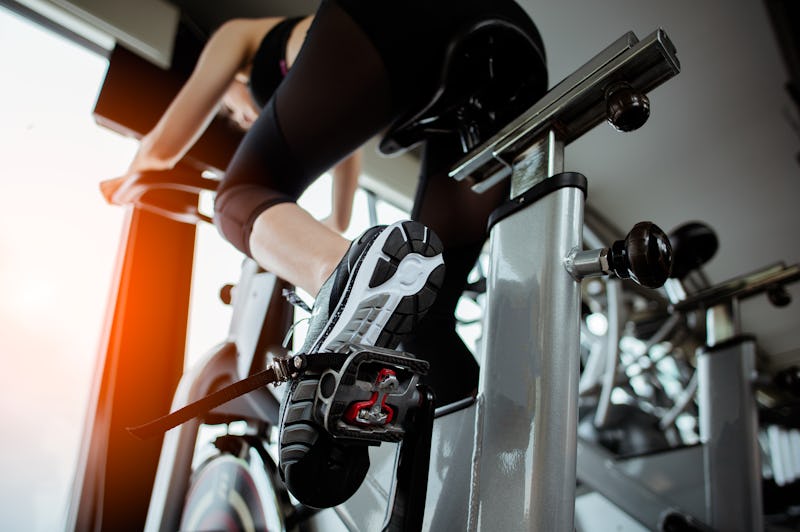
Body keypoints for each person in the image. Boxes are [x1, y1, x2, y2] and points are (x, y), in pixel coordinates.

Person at [105, 0, 547, 510]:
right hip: (514, 56)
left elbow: (163, 144)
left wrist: (130, 177)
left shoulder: (238, 36)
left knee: (235, 199)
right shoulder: (334, 82)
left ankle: (341, 281)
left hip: (405, 21)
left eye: (232, 108)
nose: (239, 115)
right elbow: (338, 216)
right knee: (427, 327)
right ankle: (501, 462)